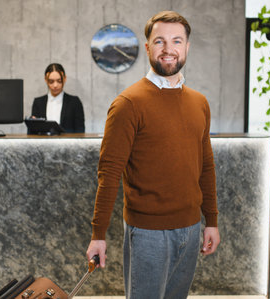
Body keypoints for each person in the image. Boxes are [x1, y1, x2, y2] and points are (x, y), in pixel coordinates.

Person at [86, 10, 220, 299]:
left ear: (187, 47)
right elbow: (108, 174)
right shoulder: (128, 104)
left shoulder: (200, 102)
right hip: (147, 233)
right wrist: (98, 235)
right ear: (148, 47)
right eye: (160, 41)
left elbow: (206, 166)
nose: (169, 49)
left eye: (177, 41)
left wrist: (211, 221)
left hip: (191, 226)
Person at [31, 63, 85, 133]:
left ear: (64, 79)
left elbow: (80, 131)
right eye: (51, 81)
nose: (55, 85)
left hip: (68, 143)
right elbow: (32, 133)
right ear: (46, 80)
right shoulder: (38, 103)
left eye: (59, 81)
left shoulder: (74, 102)